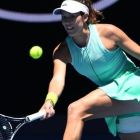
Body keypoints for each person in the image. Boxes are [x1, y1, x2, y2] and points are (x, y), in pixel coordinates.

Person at [39, 0, 140, 139]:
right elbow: (57, 79)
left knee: (76, 110)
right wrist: (49, 101)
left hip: (133, 84)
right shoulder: (62, 51)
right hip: (116, 99)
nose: (67, 22)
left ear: (85, 16)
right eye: (64, 17)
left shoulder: (108, 32)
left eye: (72, 16)